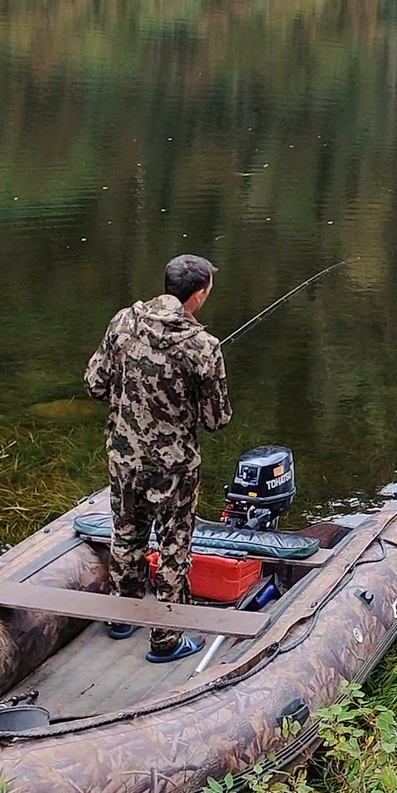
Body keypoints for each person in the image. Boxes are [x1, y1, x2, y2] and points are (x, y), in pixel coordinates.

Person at [84, 254, 232, 661]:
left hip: (124, 459)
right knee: (173, 546)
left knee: (127, 532)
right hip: (174, 469)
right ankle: (166, 640)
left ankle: (121, 617)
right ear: (199, 294)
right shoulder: (203, 347)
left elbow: (95, 384)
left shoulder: (123, 322)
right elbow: (216, 419)